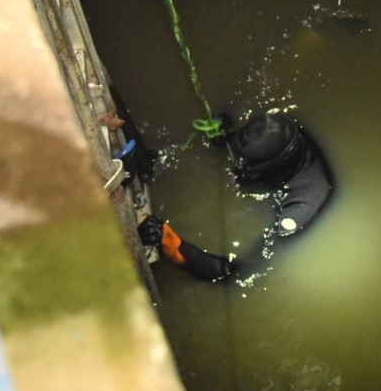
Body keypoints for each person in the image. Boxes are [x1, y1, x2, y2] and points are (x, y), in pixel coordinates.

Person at [144, 111, 335, 284]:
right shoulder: (282, 130)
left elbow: (241, 272)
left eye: (251, 170)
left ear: (274, 171)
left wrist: (176, 248)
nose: (239, 169)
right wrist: (226, 136)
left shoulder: (302, 206)